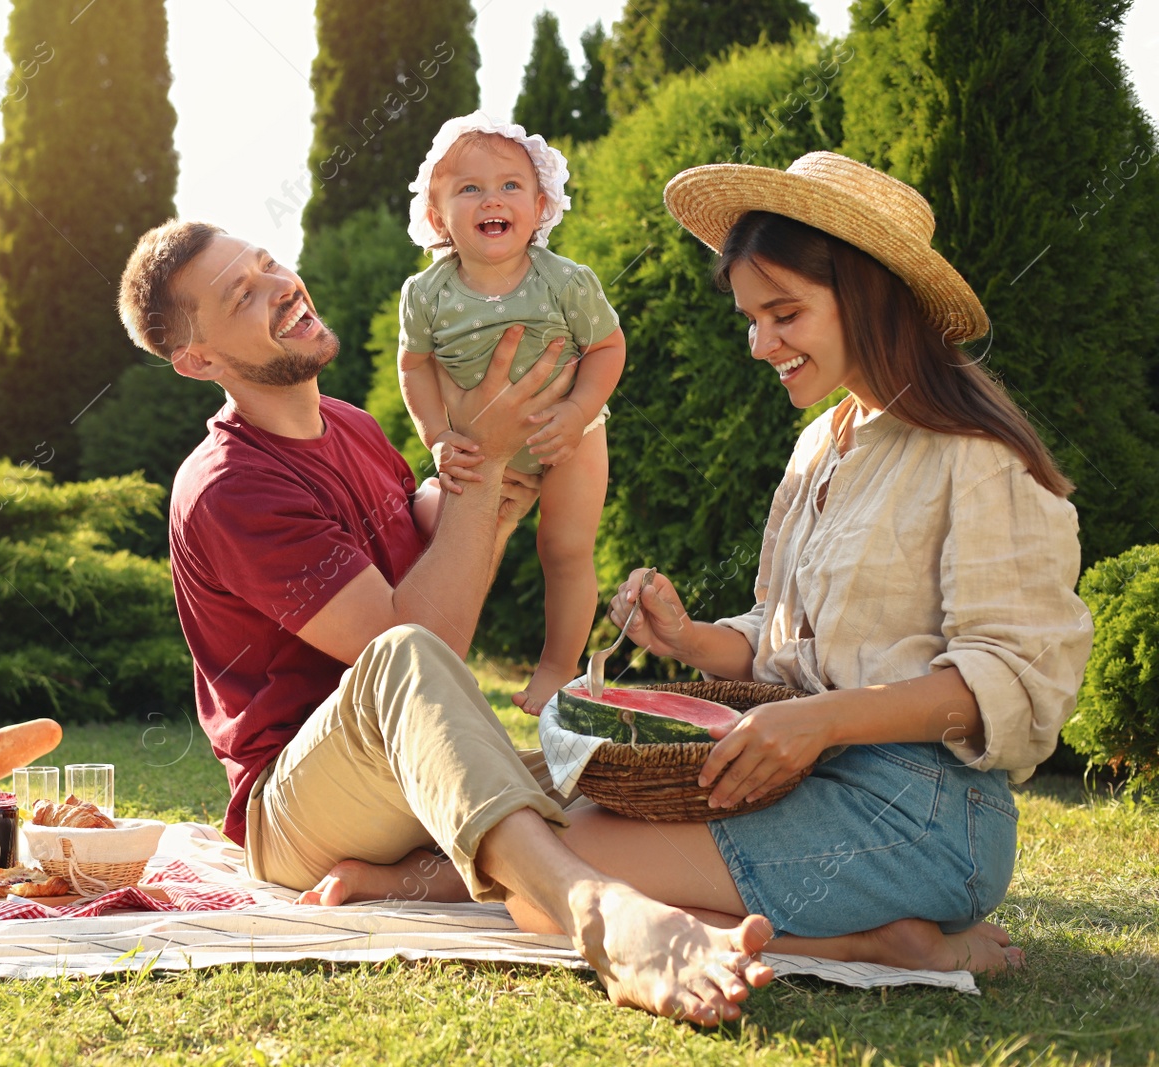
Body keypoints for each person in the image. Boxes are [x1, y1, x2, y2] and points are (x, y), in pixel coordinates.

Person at [117, 219, 775, 1025]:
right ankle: (600, 918)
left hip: (406, 772)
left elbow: (435, 545)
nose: (280, 285)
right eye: (241, 294)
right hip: (295, 807)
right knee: (401, 656)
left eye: (268, 264)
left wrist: (503, 460)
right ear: (198, 359)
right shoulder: (229, 487)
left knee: (608, 772)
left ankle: (872, 937)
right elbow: (416, 640)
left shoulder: (353, 427)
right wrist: (484, 461)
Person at [503, 151, 1093, 969]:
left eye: (784, 313)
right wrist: (690, 637)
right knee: (552, 853)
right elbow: (780, 636)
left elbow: (1017, 686)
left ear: (867, 297)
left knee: (554, 877)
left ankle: (891, 940)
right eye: (752, 317)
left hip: (924, 814)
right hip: (796, 777)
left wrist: (820, 722)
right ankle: (879, 945)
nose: (759, 343)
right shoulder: (822, 443)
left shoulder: (980, 457)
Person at [397, 113, 626, 717]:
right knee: (446, 533)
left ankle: (557, 669)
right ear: (436, 216)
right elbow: (414, 366)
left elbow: (607, 348)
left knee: (566, 548)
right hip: (478, 443)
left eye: (509, 186)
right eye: (469, 188)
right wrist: (437, 435)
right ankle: (439, 670)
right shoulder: (426, 293)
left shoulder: (566, 282)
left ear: (540, 204)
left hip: (568, 437)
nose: (491, 199)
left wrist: (577, 412)